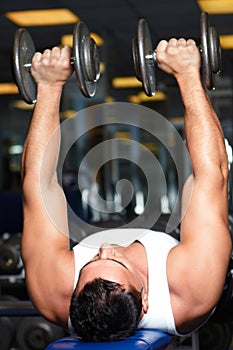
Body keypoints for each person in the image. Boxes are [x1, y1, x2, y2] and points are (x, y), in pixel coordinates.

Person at [20, 39, 232, 342]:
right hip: (172, 242)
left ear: (73, 293)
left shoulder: (53, 290)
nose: (105, 248)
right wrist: (187, 75)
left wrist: (48, 86)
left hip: (141, 241)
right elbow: (213, 176)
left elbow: (38, 182)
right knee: (207, 177)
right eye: (116, 260)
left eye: (91, 263)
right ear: (145, 299)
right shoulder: (192, 288)